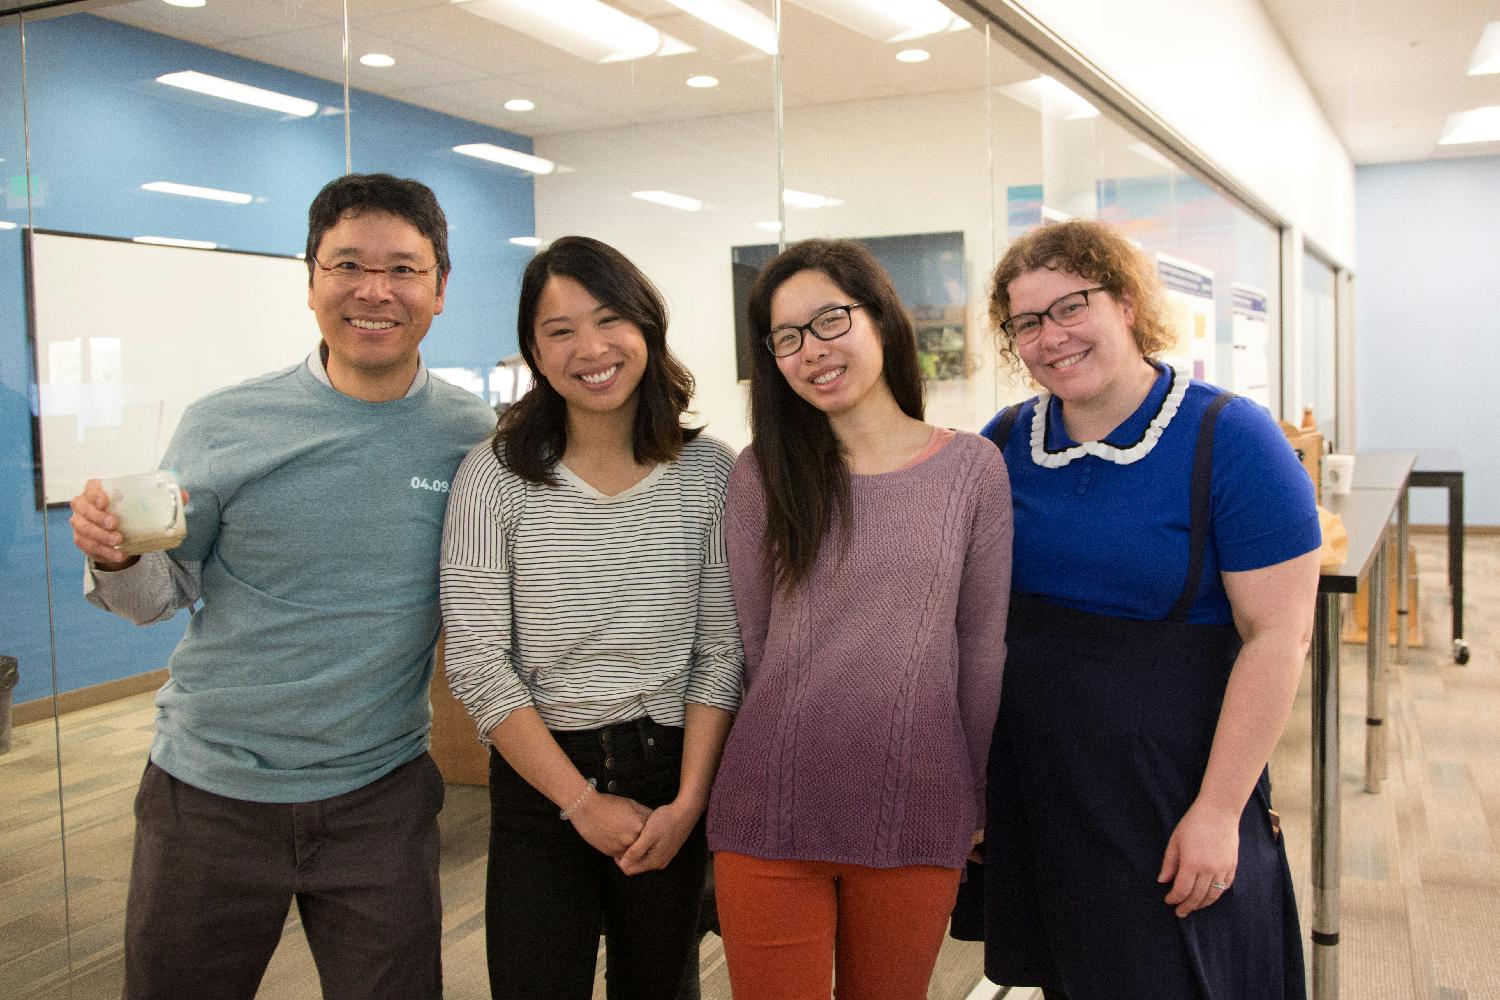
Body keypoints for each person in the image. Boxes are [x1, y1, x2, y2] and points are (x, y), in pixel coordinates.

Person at [67, 173, 496, 1000]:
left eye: (404, 269)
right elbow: (157, 595)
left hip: (380, 799)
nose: (375, 291)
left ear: (440, 290)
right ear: (309, 285)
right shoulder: (226, 422)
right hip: (209, 795)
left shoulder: (472, 437)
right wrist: (116, 556)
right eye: (346, 266)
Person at [978, 219, 1319, 999]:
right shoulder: (1005, 441)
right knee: (1071, 978)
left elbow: (1279, 637)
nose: (1050, 337)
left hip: (1172, 790)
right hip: (1046, 785)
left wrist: (1220, 810)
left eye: (1071, 307)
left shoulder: (1230, 438)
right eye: (1026, 322)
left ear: (1127, 304)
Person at [707, 238, 1012, 1000]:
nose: (812, 351)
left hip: (919, 801)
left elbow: (981, 648)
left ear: (880, 319)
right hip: (770, 804)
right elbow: (753, 642)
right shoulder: (762, 473)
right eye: (786, 338)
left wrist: (971, 791)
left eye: (829, 321)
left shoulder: (972, 469)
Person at [439, 235, 742, 1000]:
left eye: (608, 320)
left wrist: (689, 803)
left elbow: (719, 650)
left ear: (647, 327)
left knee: (661, 986)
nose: (591, 349)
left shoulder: (709, 473)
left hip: (672, 771)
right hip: (542, 776)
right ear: (534, 353)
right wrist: (579, 801)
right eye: (559, 330)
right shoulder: (496, 475)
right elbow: (477, 662)